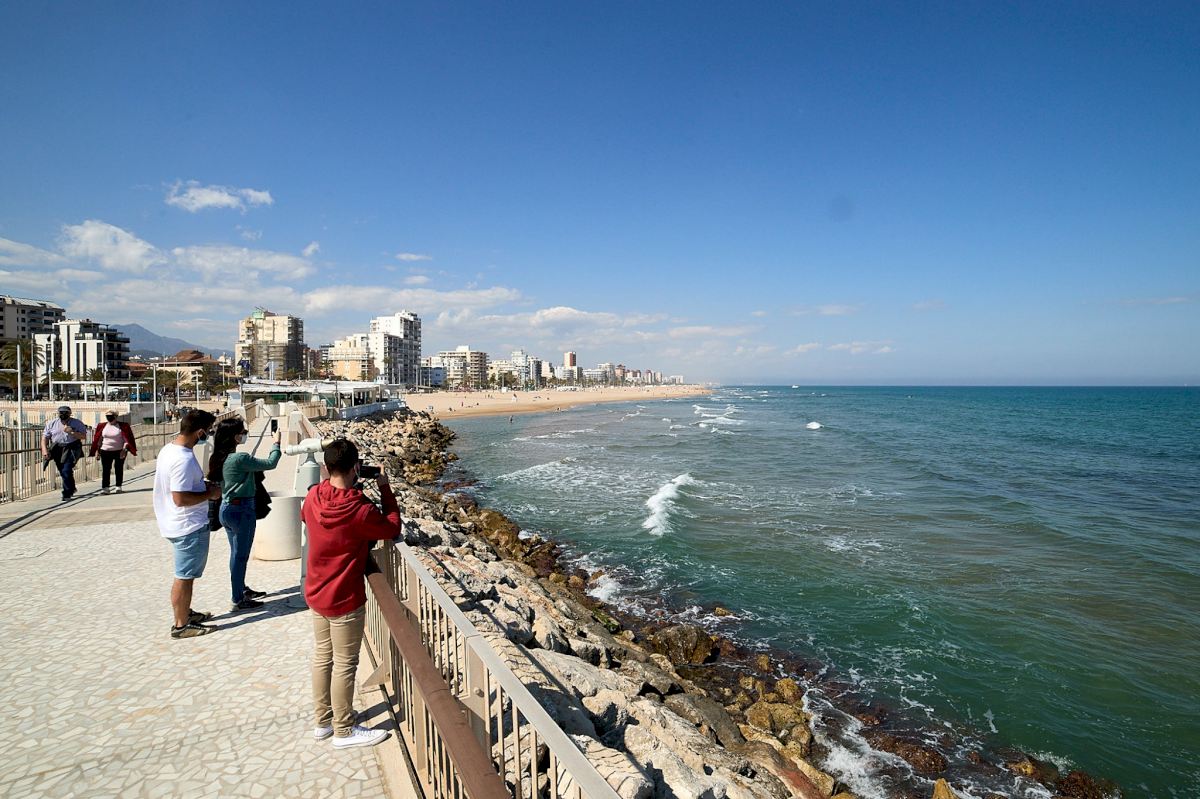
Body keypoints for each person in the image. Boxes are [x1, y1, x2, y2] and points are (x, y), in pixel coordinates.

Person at [303, 439, 400, 748]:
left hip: (317, 591)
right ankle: (343, 729)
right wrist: (384, 488)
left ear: (327, 467)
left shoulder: (313, 497)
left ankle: (323, 721)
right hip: (344, 597)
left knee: (323, 657)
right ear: (356, 467)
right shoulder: (359, 509)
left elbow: (308, 518)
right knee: (345, 663)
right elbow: (391, 528)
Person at [153, 409, 221, 639]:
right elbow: (180, 498)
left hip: (177, 522)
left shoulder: (170, 449)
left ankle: (186, 612)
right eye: (209, 430)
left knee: (187, 574)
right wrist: (210, 494)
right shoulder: (182, 459)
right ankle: (181, 625)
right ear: (199, 431)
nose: (209, 434)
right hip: (187, 525)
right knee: (184, 576)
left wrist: (202, 486)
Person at [207, 418, 280, 611]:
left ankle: (240, 588)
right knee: (241, 556)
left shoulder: (218, 458)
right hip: (242, 511)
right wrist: (276, 443)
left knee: (236, 553)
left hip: (227, 509)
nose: (244, 434)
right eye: (242, 431)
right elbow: (270, 463)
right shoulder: (239, 459)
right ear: (234, 436)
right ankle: (238, 598)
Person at [41, 405, 88, 501]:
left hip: (72, 448)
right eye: (61, 412)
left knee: (66, 469)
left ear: (70, 414)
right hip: (57, 448)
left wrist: (72, 432)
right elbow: (44, 438)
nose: (63, 414)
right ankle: (72, 487)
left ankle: (66, 493)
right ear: (58, 414)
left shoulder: (77, 423)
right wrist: (45, 450)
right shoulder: (52, 423)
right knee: (63, 471)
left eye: (65, 412)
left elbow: (83, 436)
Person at [89, 409, 138, 494]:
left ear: (115, 416)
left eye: (111, 416)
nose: (109, 418)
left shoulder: (123, 426)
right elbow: (99, 439)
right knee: (106, 469)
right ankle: (105, 488)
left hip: (119, 450)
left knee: (118, 468)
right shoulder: (102, 426)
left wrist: (124, 449)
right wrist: (98, 451)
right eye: (107, 416)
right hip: (105, 450)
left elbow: (127, 439)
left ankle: (118, 487)